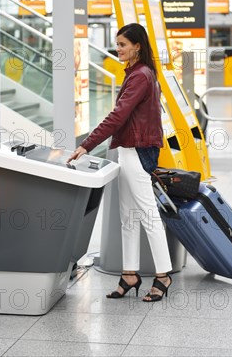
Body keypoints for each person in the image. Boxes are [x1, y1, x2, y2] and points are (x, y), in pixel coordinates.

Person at [67, 23, 172, 302]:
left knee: (148, 214)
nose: (118, 48)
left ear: (137, 46)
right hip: (128, 150)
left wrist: (85, 145)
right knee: (128, 216)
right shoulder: (138, 73)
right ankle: (129, 274)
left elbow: (117, 117)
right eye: (118, 44)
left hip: (137, 152)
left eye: (123, 44)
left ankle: (163, 275)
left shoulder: (140, 76)